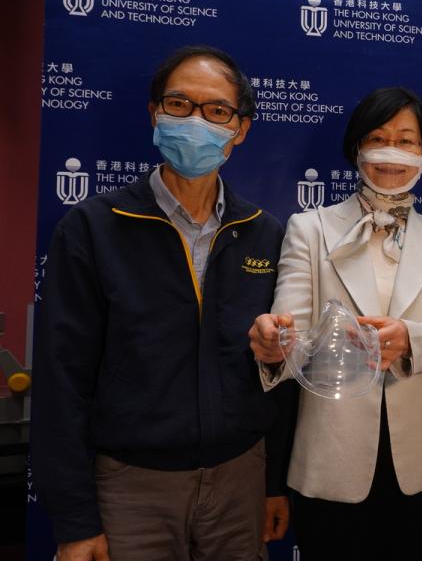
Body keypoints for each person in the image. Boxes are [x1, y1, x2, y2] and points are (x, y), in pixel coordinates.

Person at [32, 45, 291, 561]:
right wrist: (75, 518)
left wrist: (274, 481)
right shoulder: (93, 228)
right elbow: (62, 382)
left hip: (240, 480)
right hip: (130, 488)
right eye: (179, 105)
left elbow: (279, 374)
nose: (196, 121)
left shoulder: (262, 233)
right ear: (155, 114)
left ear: (240, 129)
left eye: (217, 110)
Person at [249, 87, 422, 560]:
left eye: (407, 140)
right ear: (356, 150)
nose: (392, 152)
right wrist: (274, 345)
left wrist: (410, 338)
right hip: (332, 453)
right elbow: (292, 334)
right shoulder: (310, 228)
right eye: (378, 137)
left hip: (421, 459)